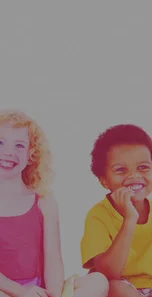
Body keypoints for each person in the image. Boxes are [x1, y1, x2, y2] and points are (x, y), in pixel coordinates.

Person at [0, 110, 108, 297]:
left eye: (20, 146)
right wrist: (22, 293)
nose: (9, 152)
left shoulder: (44, 202)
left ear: (31, 154)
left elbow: (53, 260)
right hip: (0, 291)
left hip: (40, 291)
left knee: (97, 282)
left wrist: (52, 294)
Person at [81, 124, 152, 297]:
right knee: (113, 286)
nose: (134, 176)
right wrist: (129, 219)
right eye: (121, 170)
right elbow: (108, 273)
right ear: (104, 180)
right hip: (122, 287)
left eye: (143, 167)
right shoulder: (98, 215)